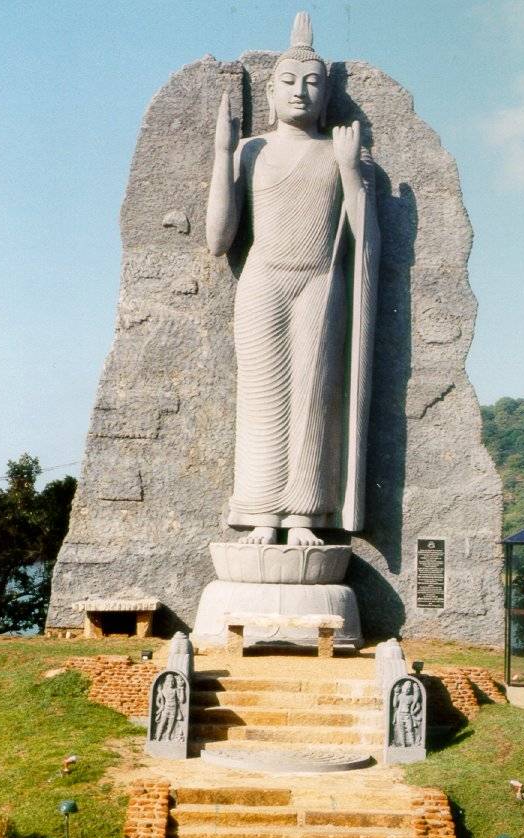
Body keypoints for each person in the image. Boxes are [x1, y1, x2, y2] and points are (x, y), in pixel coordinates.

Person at [206, 12, 379, 547]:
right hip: (263, 281)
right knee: (262, 399)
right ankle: (260, 512)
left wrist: (352, 171)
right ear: (271, 91)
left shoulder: (339, 152)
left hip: (319, 283)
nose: (300, 92)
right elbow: (218, 239)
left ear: (327, 95)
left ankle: (305, 514)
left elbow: (367, 238)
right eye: (288, 81)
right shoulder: (252, 151)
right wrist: (222, 155)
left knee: (313, 397)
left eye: (312, 83)